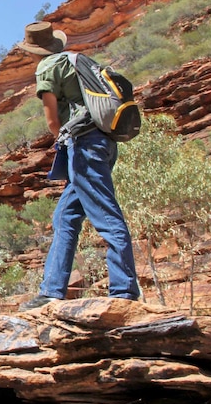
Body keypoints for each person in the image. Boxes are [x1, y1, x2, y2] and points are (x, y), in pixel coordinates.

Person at [16, 21, 140, 310]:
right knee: (65, 218)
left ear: (31, 50)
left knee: (106, 217)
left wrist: (62, 140)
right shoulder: (77, 61)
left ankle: (124, 291)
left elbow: (51, 120)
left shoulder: (47, 66)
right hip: (103, 144)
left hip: (84, 145)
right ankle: (51, 291)